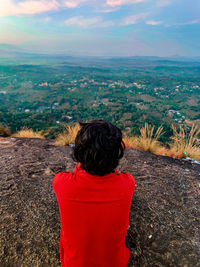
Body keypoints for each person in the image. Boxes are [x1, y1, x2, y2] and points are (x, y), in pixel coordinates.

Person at [53, 119, 135, 267]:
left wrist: (83, 164)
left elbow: (76, 173)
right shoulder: (128, 183)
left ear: (79, 152)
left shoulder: (61, 183)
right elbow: (115, 174)